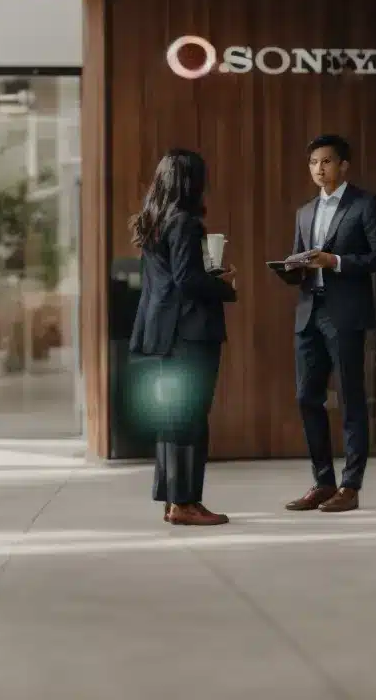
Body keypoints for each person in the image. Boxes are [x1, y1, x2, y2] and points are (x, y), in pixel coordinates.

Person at [275, 134, 376, 513]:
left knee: (350, 398)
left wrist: (337, 262)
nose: (318, 169)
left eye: (326, 162)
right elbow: (301, 261)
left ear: (343, 165)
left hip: (345, 313)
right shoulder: (305, 211)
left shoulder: (365, 204)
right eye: (313, 163)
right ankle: (323, 482)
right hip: (309, 311)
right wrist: (290, 268)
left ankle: (351, 486)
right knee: (306, 396)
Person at [127, 148, 237, 526]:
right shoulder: (186, 223)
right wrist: (225, 285)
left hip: (160, 333)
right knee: (190, 418)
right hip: (190, 333)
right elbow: (188, 280)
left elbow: (171, 278)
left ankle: (173, 500)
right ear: (191, 182)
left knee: (171, 418)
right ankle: (187, 503)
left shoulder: (153, 221)